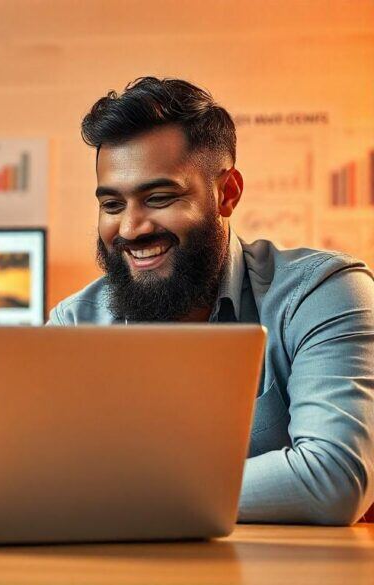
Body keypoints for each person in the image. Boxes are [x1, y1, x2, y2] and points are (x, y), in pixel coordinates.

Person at [49, 77, 374, 525]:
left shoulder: (322, 292)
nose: (130, 228)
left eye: (159, 198)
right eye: (112, 205)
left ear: (228, 193)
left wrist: (127, 496)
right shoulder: (73, 325)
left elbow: (333, 477)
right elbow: (43, 482)